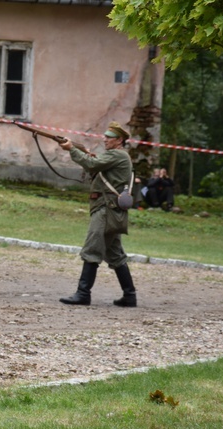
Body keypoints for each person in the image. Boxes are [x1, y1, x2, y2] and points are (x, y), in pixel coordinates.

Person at [57, 121, 137, 307]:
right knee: (115, 254)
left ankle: (83, 294)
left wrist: (71, 149)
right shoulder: (115, 155)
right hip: (109, 210)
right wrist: (84, 154)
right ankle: (129, 295)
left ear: (119, 140)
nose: (105, 139)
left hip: (106, 209)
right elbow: (95, 165)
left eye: (109, 137)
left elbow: (92, 164)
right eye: (106, 136)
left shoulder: (117, 155)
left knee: (92, 249)